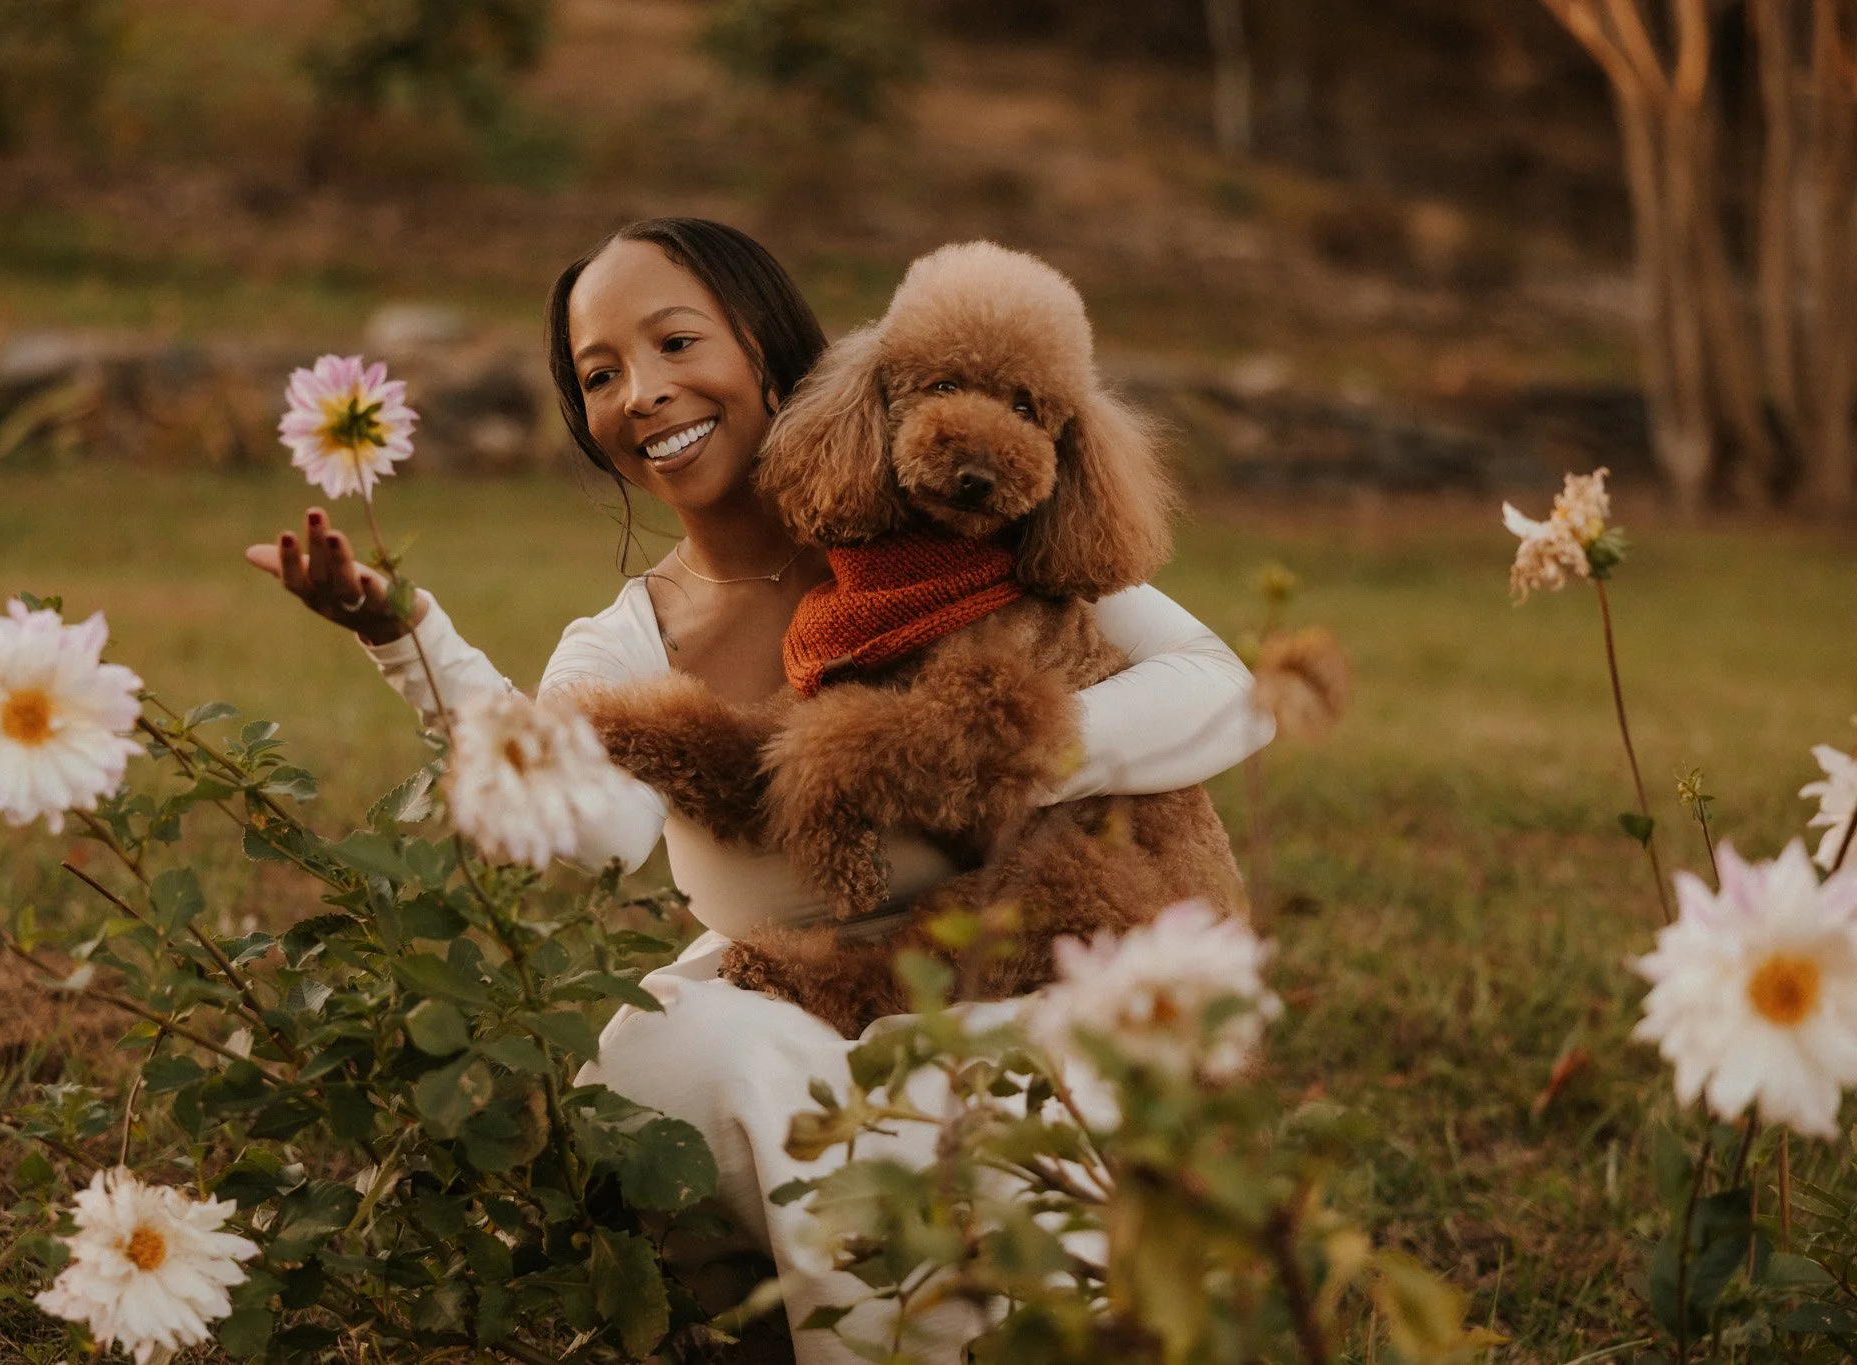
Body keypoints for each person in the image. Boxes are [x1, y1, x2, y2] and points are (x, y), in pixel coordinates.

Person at [247, 217, 1272, 1362]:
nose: (642, 391)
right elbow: (579, 820)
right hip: (791, 1009)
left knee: (998, 1084)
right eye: (600, 375)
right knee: (671, 1058)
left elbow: (1230, 694)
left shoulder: (958, 521)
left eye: (676, 343)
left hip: (1022, 970)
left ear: (765, 351)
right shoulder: (626, 641)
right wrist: (405, 638)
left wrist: (998, 749)